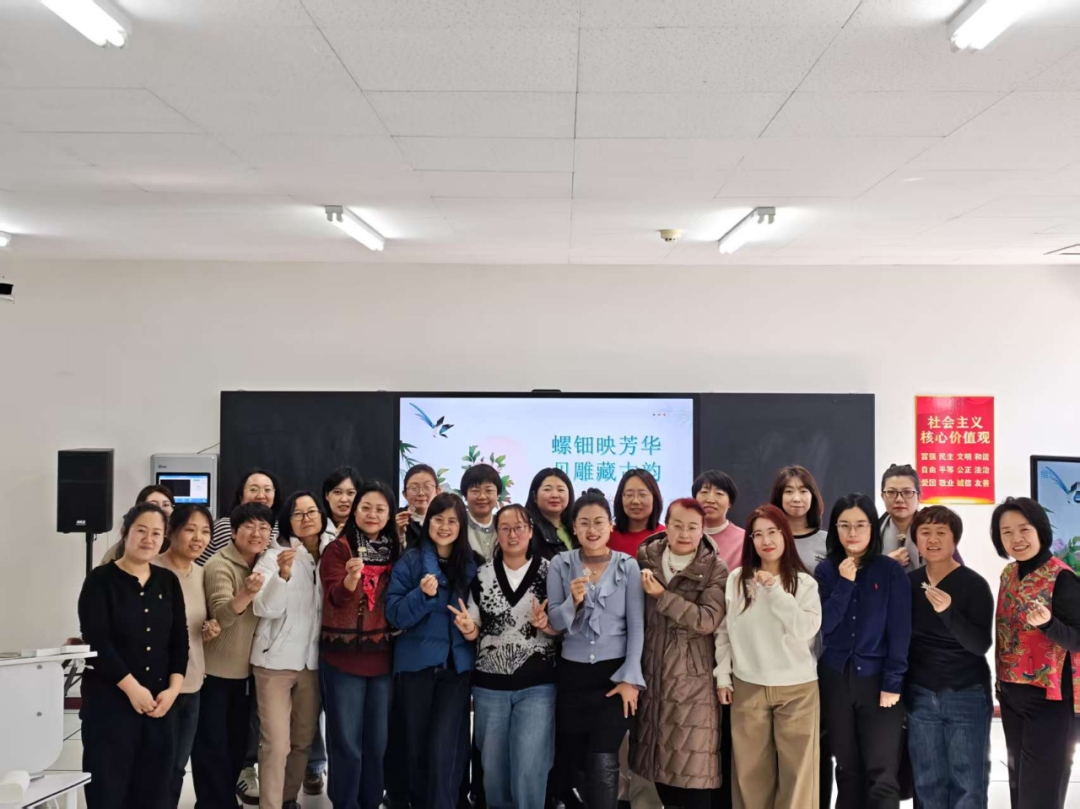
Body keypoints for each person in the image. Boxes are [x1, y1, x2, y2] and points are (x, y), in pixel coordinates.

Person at [78, 502, 188, 808]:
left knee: (155, 793)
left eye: (156, 533)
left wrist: (174, 690)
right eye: (141, 530)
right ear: (125, 532)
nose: (148, 539)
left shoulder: (168, 581)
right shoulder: (100, 580)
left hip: (159, 707)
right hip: (110, 706)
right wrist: (133, 689)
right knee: (108, 791)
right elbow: (98, 643)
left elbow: (180, 641)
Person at [714, 504, 821, 809]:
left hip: (798, 688)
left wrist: (775, 591)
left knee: (798, 778)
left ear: (785, 535)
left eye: (772, 532)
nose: (766, 540)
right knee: (749, 776)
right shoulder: (737, 579)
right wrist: (723, 676)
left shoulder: (804, 582)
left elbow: (805, 629)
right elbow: (724, 631)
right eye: (757, 534)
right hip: (747, 684)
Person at [547, 489, 645, 809]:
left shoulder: (628, 566)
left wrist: (630, 679)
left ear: (610, 525)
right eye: (585, 522)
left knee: (604, 756)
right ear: (574, 527)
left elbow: (637, 626)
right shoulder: (560, 564)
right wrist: (573, 602)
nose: (592, 529)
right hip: (572, 677)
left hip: (614, 677)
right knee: (576, 759)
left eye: (599, 522)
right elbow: (555, 622)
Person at [815, 493, 911, 809]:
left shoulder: (889, 570)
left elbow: (899, 631)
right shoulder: (826, 571)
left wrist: (892, 682)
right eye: (844, 525)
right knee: (847, 769)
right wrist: (845, 583)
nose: (852, 533)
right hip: (836, 681)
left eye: (860, 525)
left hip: (878, 681)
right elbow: (824, 626)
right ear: (835, 528)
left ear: (872, 528)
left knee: (882, 773)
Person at [386, 492, 479, 809]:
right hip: (416, 668)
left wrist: (471, 629)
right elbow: (394, 615)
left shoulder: (472, 564)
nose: (444, 526)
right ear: (428, 523)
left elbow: (483, 618)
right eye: (438, 519)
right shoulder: (411, 561)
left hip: (456, 669)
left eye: (452, 520)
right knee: (416, 748)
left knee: (445, 749)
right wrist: (421, 596)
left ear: (462, 526)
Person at [631, 498, 726, 809]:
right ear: (666, 526)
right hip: (650, 673)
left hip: (693, 682)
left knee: (693, 772)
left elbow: (707, 619)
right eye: (678, 525)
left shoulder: (715, 568)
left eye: (692, 527)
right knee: (656, 769)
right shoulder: (643, 560)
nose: (684, 533)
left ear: (702, 531)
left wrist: (662, 596)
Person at [466, 503, 559, 809]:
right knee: (493, 768)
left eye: (519, 527)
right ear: (497, 534)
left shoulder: (551, 571)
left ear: (531, 532)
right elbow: (474, 625)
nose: (512, 534)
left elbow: (563, 624)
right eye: (505, 528)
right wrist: (468, 628)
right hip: (489, 686)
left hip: (537, 685)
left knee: (530, 765)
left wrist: (548, 625)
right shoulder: (482, 574)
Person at [993, 496, 1080, 809]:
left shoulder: (1062, 578)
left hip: (1050, 699)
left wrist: (1048, 625)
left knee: (1041, 791)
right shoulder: (1009, 573)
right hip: (1011, 694)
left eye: (1024, 529)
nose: (1016, 538)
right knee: (1019, 784)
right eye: (1006, 532)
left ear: (1040, 530)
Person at [319, 481, 401, 809]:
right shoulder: (339, 549)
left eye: (380, 509)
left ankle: (370, 801)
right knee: (346, 742)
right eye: (365, 507)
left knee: (377, 742)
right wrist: (351, 580)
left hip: (382, 658)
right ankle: (345, 802)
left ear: (389, 514)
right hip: (342, 658)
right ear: (355, 511)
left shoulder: (397, 549)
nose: (372, 514)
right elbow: (335, 596)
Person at [200, 469, 280, 805]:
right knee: (212, 747)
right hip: (216, 672)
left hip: (247, 672)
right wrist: (246, 594)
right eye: (249, 527)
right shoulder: (220, 565)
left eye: (263, 528)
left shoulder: (264, 564)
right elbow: (219, 615)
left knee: (235, 746)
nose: (257, 533)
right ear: (232, 531)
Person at [905, 506, 993, 809]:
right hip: (920, 693)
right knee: (926, 780)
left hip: (966, 692)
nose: (932, 539)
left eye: (941, 532)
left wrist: (948, 612)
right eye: (925, 532)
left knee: (967, 781)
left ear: (955, 539)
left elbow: (980, 644)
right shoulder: (909, 583)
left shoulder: (973, 584)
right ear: (916, 539)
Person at [250, 492, 326, 809]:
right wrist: (282, 576)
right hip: (274, 663)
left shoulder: (332, 552)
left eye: (312, 512)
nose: (306, 518)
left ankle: (287, 799)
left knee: (303, 740)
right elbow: (263, 608)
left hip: (311, 663)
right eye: (298, 514)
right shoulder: (274, 555)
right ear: (288, 521)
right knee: (276, 743)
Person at [153, 503, 221, 809]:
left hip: (191, 682)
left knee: (178, 766)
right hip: (154, 685)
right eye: (190, 529)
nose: (198, 538)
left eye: (205, 531)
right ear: (172, 531)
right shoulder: (150, 569)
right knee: (154, 764)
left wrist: (210, 629)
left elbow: (195, 627)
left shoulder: (202, 574)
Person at [307, 465, 362, 797]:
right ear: (326, 497)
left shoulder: (370, 531)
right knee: (311, 706)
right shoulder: (314, 528)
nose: (345, 499)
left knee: (343, 714)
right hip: (311, 628)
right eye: (337, 492)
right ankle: (314, 765)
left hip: (352, 637)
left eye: (351, 493)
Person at [201, 468, 281, 565]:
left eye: (267, 490)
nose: (261, 495)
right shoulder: (225, 526)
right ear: (241, 497)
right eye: (253, 489)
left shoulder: (281, 530)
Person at [98, 484, 177, 565]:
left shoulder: (178, 544)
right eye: (153, 504)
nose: (160, 509)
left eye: (166, 505)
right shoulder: (119, 550)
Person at [770, 466, 827, 573]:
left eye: (803, 491)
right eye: (789, 491)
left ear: (813, 496)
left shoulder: (828, 541)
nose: (796, 499)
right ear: (779, 497)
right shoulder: (767, 538)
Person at [693, 469, 744, 585]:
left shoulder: (744, 540)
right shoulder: (683, 536)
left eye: (719, 494)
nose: (710, 500)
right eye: (704, 492)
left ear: (730, 503)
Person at [608, 468, 664, 558]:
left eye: (642, 494)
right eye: (629, 495)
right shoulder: (607, 537)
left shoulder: (666, 538)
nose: (635, 501)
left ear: (654, 498)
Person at [880, 464, 923, 571]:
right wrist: (884, 564)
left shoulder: (938, 532)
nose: (899, 499)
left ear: (919, 497)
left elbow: (954, 572)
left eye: (907, 492)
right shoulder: (869, 533)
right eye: (891, 492)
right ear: (883, 497)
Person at [526, 467, 576, 559]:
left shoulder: (576, 528)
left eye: (560, 490)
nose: (555, 495)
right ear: (534, 496)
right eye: (547, 489)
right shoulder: (527, 529)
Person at [462, 462, 503, 562]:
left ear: (498, 495)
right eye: (475, 491)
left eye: (489, 491)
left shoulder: (504, 525)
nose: (482, 496)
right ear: (465, 496)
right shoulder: (457, 524)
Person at [395, 464, 439, 548]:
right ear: (405, 494)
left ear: (437, 491)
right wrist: (399, 536)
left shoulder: (444, 520)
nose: (421, 493)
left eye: (427, 487)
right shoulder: (397, 519)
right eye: (414, 488)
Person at [321, 465, 362, 550]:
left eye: (350, 493)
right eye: (337, 492)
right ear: (327, 495)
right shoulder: (317, 529)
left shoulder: (368, 528)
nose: (343, 499)